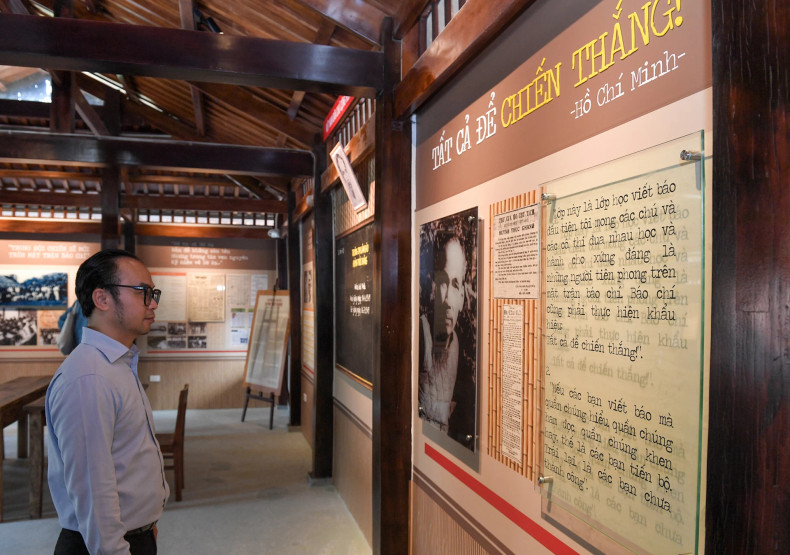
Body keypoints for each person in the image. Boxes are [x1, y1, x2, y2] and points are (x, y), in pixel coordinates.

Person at [46, 249, 169, 554]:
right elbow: (93, 493)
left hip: (134, 535)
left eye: (153, 293)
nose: (152, 303)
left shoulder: (116, 363)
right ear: (102, 299)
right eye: (142, 291)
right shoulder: (89, 377)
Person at [418, 233, 476, 449]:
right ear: (433, 288)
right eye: (442, 283)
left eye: (454, 284)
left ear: (462, 297)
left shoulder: (457, 346)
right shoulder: (421, 334)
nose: (447, 301)